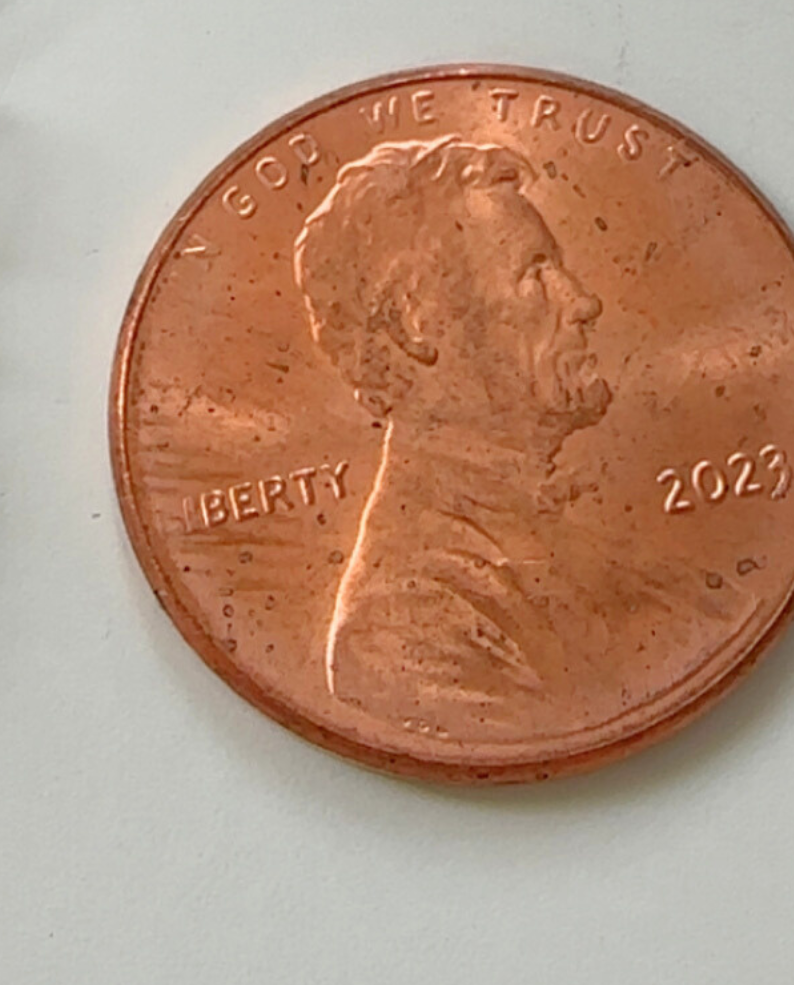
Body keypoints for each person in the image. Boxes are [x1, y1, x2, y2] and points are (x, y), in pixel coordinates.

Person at [293, 136, 747, 738]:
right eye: (535, 273)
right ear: (416, 323)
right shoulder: (403, 628)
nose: (584, 302)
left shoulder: (581, 538)